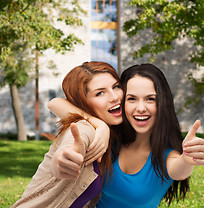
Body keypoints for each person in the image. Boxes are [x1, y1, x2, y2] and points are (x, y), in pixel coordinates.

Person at [49, 63, 204, 207]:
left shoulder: (165, 156)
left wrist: (187, 159)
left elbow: (179, 169)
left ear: (163, 103)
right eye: (131, 99)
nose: (140, 108)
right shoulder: (109, 139)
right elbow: (55, 103)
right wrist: (100, 125)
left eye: (150, 99)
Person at [11, 61, 123, 208]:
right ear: (83, 102)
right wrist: (62, 161)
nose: (114, 97)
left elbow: (55, 103)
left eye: (116, 86)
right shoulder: (84, 129)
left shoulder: (113, 135)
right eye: (100, 93)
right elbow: (70, 148)